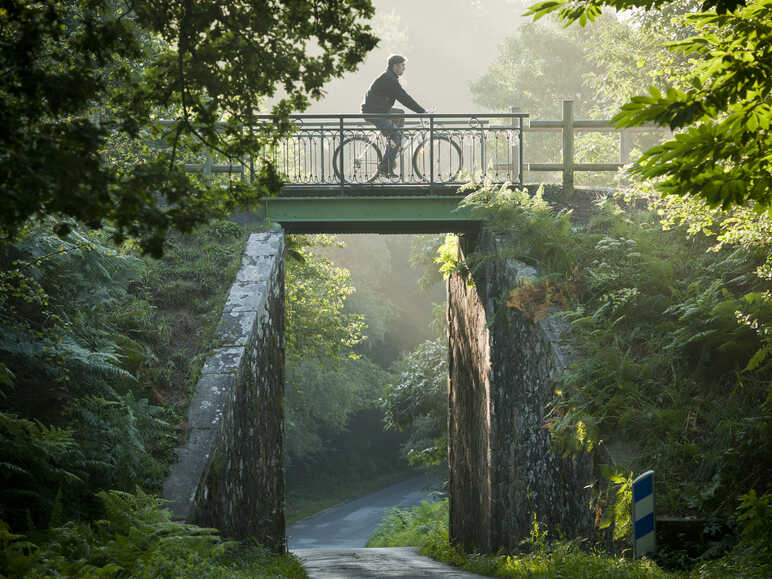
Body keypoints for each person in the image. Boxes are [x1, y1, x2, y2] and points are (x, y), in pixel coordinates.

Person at [361, 54, 426, 178]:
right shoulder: (389, 79)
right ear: (395, 66)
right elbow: (403, 97)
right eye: (402, 65)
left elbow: (402, 97)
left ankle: (393, 141)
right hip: (374, 113)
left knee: (400, 114)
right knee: (395, 134)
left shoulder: (390, 77)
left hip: (379, 110)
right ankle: (385, 167)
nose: (404, 68)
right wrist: (421, 111)